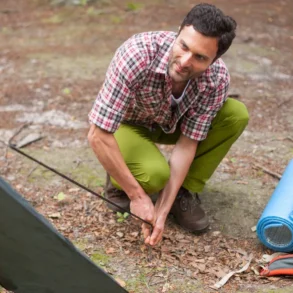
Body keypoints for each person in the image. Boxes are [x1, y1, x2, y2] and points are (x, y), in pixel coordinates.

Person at [88, 3, 249, 246]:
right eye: (184, 46)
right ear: (179, 31)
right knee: (153, 177)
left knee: (235, 114)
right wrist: (138, 196)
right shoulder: (137, 53)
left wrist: (162, 210)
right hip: (129, 124)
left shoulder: (217, 78)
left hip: (173, 126)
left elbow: (188, 143)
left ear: (215, 59)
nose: (185, 61)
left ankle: (183, 192)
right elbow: (97, 134)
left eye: (200, 57)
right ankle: (120, 182)